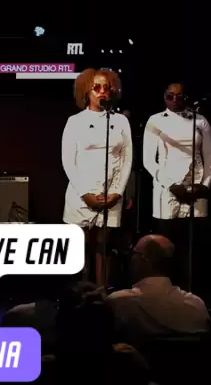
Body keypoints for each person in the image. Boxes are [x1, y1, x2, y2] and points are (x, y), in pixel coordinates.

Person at [62, 68, 133, 286]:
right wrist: (85, 194)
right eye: (97, 87)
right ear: (86, 91)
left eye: (107, 87)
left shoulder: (120, 121)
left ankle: (103, 293)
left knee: (105, 246)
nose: (102, 91)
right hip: (81, 194)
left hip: (111, 193)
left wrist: (117, 192)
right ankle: (82, 293)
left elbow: (127, 159)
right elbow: (68, 161)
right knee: (81, 247)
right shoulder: (75, 121)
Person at [142, 82, 211, 291]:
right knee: (167, 246)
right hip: (167, 190)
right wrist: (170, 185)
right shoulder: (155, 121)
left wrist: (204, 185)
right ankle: (167, 292)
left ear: (186, 97)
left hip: (195, 190)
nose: (175, 99)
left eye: (179, 96)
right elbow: (149, 160)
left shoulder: (199, 120)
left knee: (193, 248)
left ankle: (192, 293)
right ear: (164, 97)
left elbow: (209, 157)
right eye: (170, 96)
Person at [106, 234, 210, 345]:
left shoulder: (119, 302)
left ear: (144, 260)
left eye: (134, 253)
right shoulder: (197, 306)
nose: (131, 259)